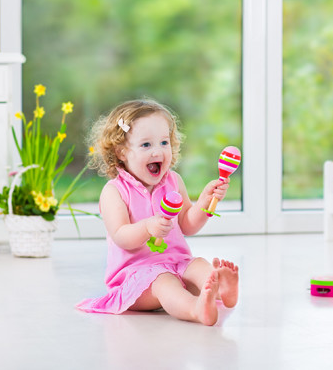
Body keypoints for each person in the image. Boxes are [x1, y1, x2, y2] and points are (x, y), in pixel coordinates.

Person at [76, 99, 239, 326]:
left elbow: (188, 224)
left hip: (176, 263)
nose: (158, 151)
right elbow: (121, 236)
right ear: (121, 152)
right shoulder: (114, 191)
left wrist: (205, 202)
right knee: (164, 283)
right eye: (146, 145)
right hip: (137, 277)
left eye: (164, 142)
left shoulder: (173, 181)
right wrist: (146, 227)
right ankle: (195, 309)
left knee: (200, 266)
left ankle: (223, 290)